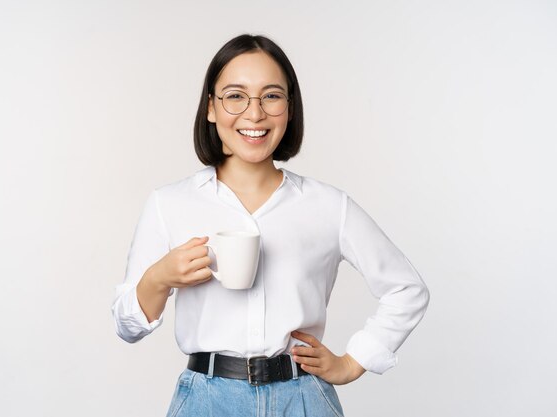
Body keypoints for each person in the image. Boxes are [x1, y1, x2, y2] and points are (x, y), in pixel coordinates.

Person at [111, 34, 430, 417]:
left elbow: (406, 289)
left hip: (303, 399)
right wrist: (159, 278)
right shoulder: (170, 203)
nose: (255, 113)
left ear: (290, 108)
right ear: (211, 107)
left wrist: (353, 361)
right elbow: (127, 327)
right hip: (206, 402)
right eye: (235, 96)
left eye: (271, 96)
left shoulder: (328, 205)